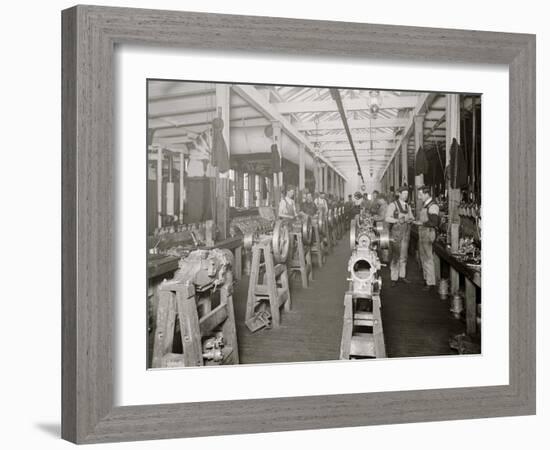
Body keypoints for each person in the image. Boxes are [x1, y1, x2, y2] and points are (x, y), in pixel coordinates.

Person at [385, 186, 414, 287]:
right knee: (395, 256)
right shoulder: (392, 205)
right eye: (404, 194)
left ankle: (402, 276)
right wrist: (397, 220)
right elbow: (387, 218)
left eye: (407, 194)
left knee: (404, 256)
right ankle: (394, 278)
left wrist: (410, 219)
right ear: (399, 194)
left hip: (406, 233)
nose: (406, 196)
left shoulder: (407, 206)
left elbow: (412, 217)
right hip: (396, 233)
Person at [414, 186, 440, 291]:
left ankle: (430, 283)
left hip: (428, 234)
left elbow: (434, 222)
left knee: (428, 258)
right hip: (423, 233)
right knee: (423, 257)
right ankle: (426, 279)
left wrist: (421, 223)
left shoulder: (433, 206)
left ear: (426, 193)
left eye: (420, 194)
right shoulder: (425, 205)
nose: (419, 197)